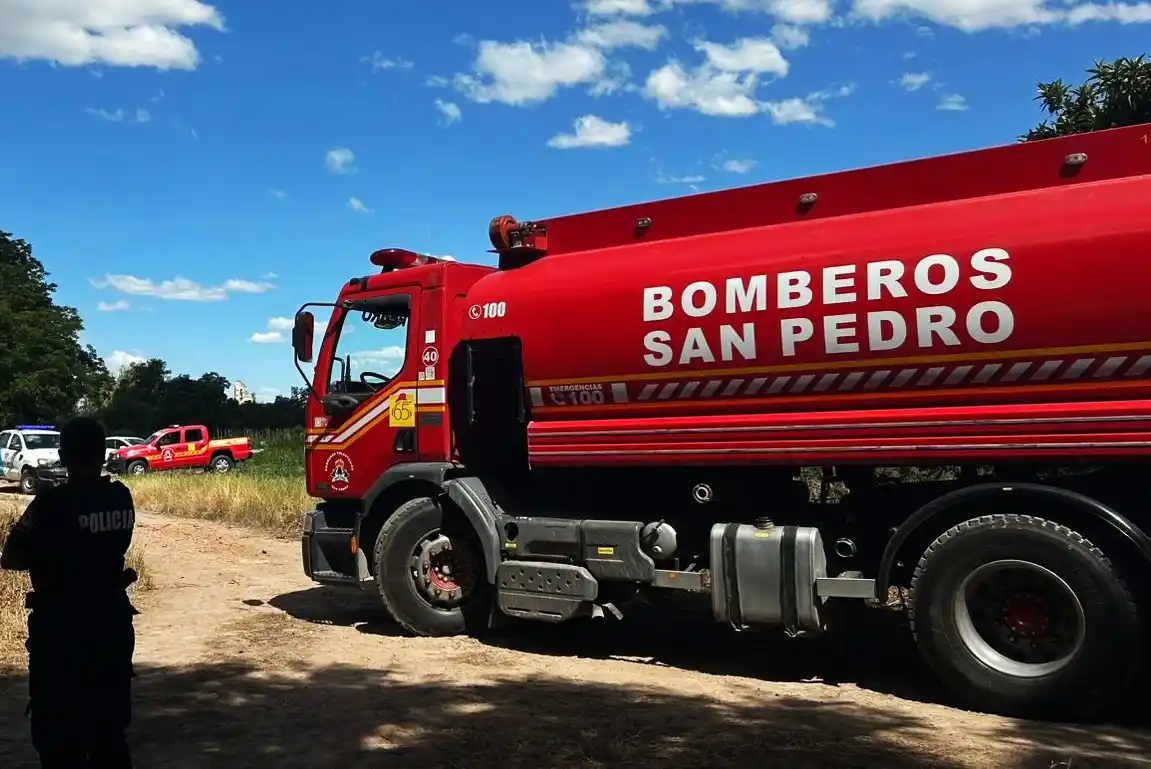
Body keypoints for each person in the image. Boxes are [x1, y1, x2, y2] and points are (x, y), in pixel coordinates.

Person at [0, 417, 138, 768]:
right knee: (109, 733)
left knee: (59, 739)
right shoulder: (120, 497)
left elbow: (11, 557)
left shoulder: (51, 504)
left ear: (64, 455)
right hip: (111, 622)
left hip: (61, 631)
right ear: (103, 454)